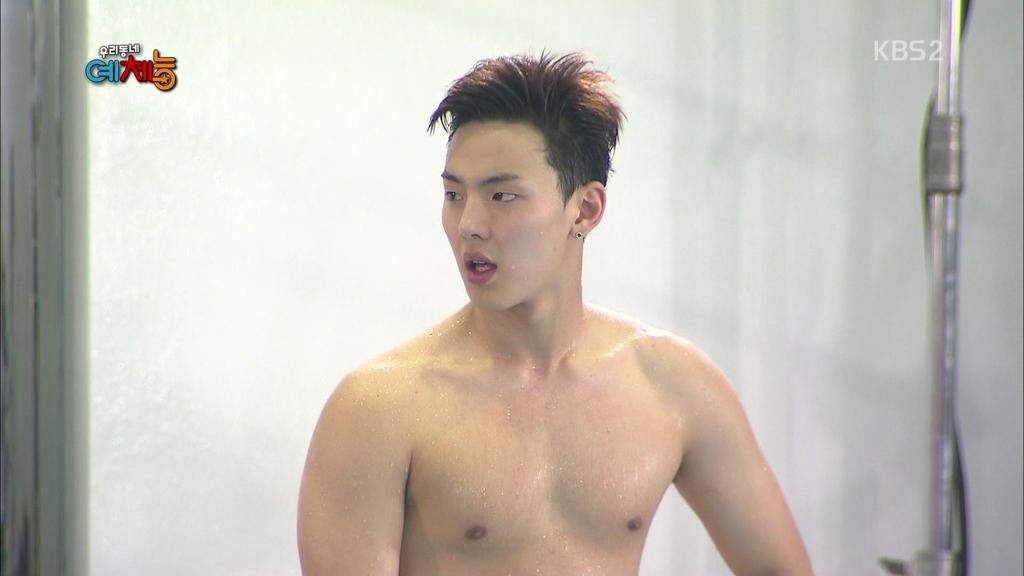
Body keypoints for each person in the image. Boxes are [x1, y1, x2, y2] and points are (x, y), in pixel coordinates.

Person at [297, 50, 814, 576]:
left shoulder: (674, 383)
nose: (469, 223)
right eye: (454, 194)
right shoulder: (379, 410)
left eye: (502, 196)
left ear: (585, 209)